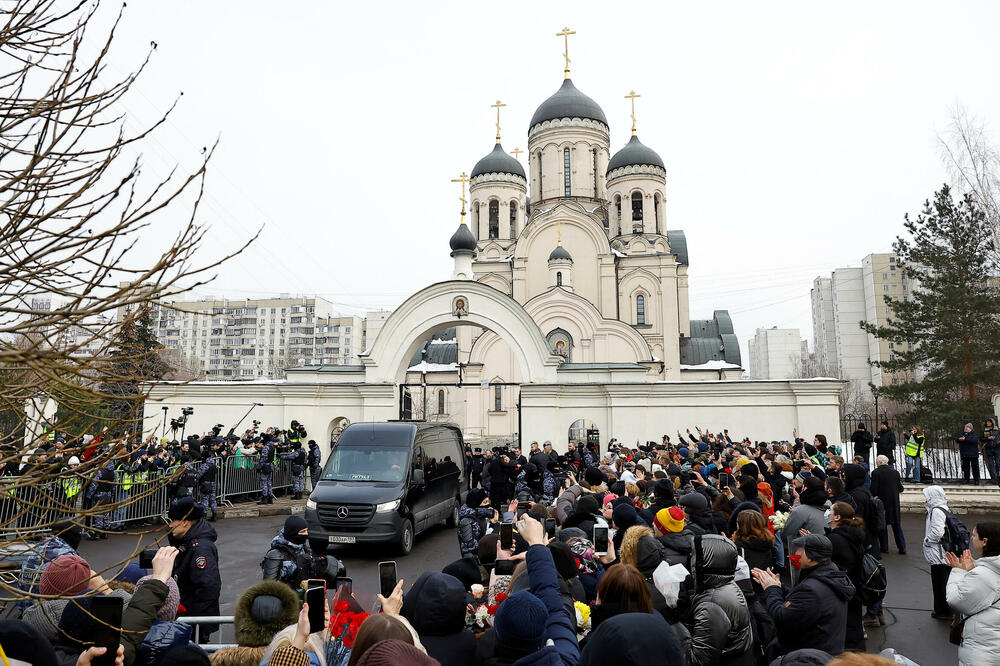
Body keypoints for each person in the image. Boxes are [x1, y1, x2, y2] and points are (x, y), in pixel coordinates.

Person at [753, 534, 855, 656]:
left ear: (811, 558)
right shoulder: (830, 574)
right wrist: (780, 587)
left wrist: (771, 588)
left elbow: (781, 617)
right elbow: (801, 602)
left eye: (799, 549)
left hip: (809, 657)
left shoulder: (811, 589)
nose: (795, 552)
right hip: (826, 651)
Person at [685, 534, 755, 666]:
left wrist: (676, 625)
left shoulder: (712, 604)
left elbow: (698, 661)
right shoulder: (726, 583)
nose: (691, 561)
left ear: (705, 564)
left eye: (695, 557)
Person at [944, 521, 1000, 666]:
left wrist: (959, 571)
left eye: (974, 535)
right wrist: (971, 571)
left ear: (985, 541)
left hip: (981, 651)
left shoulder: (983, 575)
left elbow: (956, 599)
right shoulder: (990, 569)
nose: (971, 538)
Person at [167, 496, 222, 643]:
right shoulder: (187, 541)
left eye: (173, 521)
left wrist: (190, 618)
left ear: (185, 523)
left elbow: (208, 587)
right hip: (188, 618)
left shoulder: (200, 548)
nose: (170, 525)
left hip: (193, 622)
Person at [825, 502, 868, 649]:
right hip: (855, 586)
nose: (827, 512)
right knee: (853, 623)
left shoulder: (836, 539)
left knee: (846, 626)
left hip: (843, 588)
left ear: (837, 517)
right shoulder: (851, 533)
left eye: (830, 510)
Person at [261, 515, 340, 590]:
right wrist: (295, 586)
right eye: (303, 531)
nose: (306, 534)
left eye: (306, 530)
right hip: (288, 600)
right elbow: (269, 588)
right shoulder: (275, 555)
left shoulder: (302, 548)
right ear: (293, 533)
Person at [922, 485, 954, 619]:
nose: (925, 499)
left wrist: (927, 541)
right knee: (943, 582)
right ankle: (941, 609)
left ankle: (944, 611)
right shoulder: (944, 508)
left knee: (940, 583)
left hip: (938, 553)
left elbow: (938, 532)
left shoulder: (936, 511)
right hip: (943, 552)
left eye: (927, 496)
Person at [870, 455, 905, 555]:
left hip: (882, 503)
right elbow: (900, 488)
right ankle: (902, 547)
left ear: (880, 462)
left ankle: (884, 547)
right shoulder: (895, 472)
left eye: (877, 461)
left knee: (883, 525)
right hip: (894, 502)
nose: (876, 463)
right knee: (896, 525)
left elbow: (874, 490)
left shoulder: (876, 473)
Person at [457, 488, 495, 559]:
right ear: (476, 503)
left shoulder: (482, 516)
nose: (488, 504)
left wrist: (493, 523)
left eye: (488, 501)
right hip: (476, 561)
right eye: (485, 502)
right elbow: (469, 548)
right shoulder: (466, 522)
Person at [196, 449, 218, 522]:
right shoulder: (214, 464)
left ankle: (204, 516)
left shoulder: (205, 465)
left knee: (204, 500)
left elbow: (199, 475)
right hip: (213, 483)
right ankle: (214, 515)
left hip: (205, 484)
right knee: (213, 500)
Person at [257, 434, 277, 504]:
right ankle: (270, 498)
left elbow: (263, 458)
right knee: (269, 483)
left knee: (264, 483)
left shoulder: (266, 447)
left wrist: (259, 467)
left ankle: (264, 498)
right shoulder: (272, 446)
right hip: (270, 466)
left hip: (265, 466)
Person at [982, 419, 1000, 487]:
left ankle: (999, 477)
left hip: (997, 449)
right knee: (991, 464)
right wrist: (988, 438)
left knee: (998, 463)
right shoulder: (984, 430)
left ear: (992, 423)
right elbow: (981, 439)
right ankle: (993, 478)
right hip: (989, 449)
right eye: (987, 422)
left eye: (989, 422)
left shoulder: (998, 430)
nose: (987, 423)